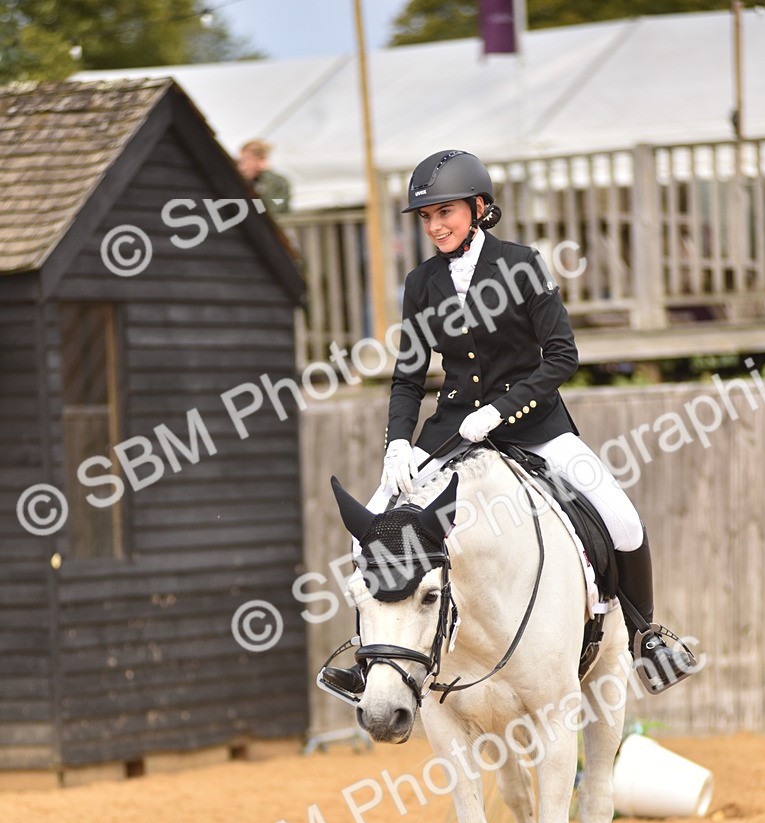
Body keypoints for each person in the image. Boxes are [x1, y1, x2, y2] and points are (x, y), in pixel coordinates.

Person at [322, 149, 695, 699]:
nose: (435, 226)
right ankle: (370, 658)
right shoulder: (421, 282)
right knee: (370, 531)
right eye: (426, 217)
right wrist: (397, 443)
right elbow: (408, 377)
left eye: (445, 212)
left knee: (623, 520)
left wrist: (502, 409)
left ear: (478, 208)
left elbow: (562, 356)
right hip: (450, 430)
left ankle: (647, 638)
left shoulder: (522, 265)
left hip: (534, 425)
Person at [236, 139, 291, 219]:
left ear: (261, 161)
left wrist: (266, 176)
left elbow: (274, 209)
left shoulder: (279, 182)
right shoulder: (242, 183)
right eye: (240, 162)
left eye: (246, 160)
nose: (242, 167)